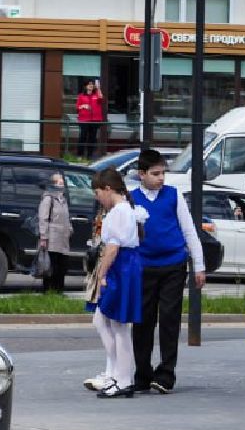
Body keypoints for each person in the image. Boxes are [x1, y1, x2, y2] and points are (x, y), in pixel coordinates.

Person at [129, 148, 207, 395]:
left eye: (163, 173)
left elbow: (188, 230)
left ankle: (165, 374)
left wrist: (199, 264)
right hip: (143, 266)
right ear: (141, 174)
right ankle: (142, 373)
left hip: (173, 264)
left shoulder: (173, 196)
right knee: (142, 320)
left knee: (170, 319)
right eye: (155, 173)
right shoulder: (131, 199)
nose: (161, 178)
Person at [84, 167, 142, 398]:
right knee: (107, 320)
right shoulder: (125, 209)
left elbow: (112, 248)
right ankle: (118, 375)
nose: (97, 198)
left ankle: (123, 378)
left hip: (121, 266)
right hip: (126, 265)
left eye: (98, 193)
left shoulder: (119, 212)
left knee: (117, 324)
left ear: (108, 189)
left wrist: (102, 274)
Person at [35, 171, 73, 293]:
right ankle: (48, 291)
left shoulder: (63, 199)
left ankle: (59, 291)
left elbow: (66, 217)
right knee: (51, 266)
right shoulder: (48, 199)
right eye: (58, 180)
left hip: (63, 238)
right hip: (52, 239)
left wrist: (70, 229)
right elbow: (43, 218)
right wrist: (43, 237)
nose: (61, 182)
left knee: (62, 266)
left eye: (61, 180)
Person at [74, 79, 105, 157]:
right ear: (85, 86)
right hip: (84, 120)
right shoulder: (81, 96)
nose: (91, 85)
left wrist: (98, 88)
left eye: (92, 84)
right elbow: (77, 107)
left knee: (92, 138)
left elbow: (101, 98)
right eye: (89, 84)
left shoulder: (96, 95)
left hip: (95, 120)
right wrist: (83, 106)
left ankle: (89, 156)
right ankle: (79, 155)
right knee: (82, 137)